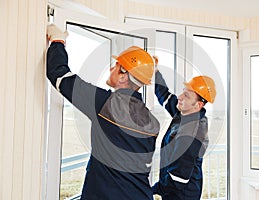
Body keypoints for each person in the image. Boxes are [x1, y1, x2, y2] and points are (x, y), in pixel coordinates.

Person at [46, 24, 160, 200]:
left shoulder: (106, 104)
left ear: (123, 76)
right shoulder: (153, 122)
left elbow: (60, 76)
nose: (111, 69)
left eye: (116, 66)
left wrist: (58, 41)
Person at [152, 57, 216, 200]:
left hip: (182, 195)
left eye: (186, 95)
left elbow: (178, 179)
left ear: (199, 105)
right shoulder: (186, 113)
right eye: (183, 91)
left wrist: (151, 190)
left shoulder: (191, 133)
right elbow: (165, 96)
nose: (180, 97)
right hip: (174, 191)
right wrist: (155, 71)